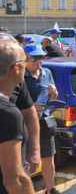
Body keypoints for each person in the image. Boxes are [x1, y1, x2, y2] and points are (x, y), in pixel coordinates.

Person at [22, 45, 60, 194]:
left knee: (48, 156)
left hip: (44, 121)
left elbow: (54, 97)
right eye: (35, 58)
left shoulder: (47, 72)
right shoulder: (19, 75)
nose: (39, 62)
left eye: (41, 57)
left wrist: (53, 92)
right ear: (25, 58)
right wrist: (31, 107)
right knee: (25, 160)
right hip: (25, 123)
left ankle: (50, 188)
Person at [0, 40, 36, 194]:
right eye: (25, 60)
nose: (27, 63)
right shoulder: (8, 114)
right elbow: (15, 181)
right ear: (16, 68)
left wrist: (35, 150)